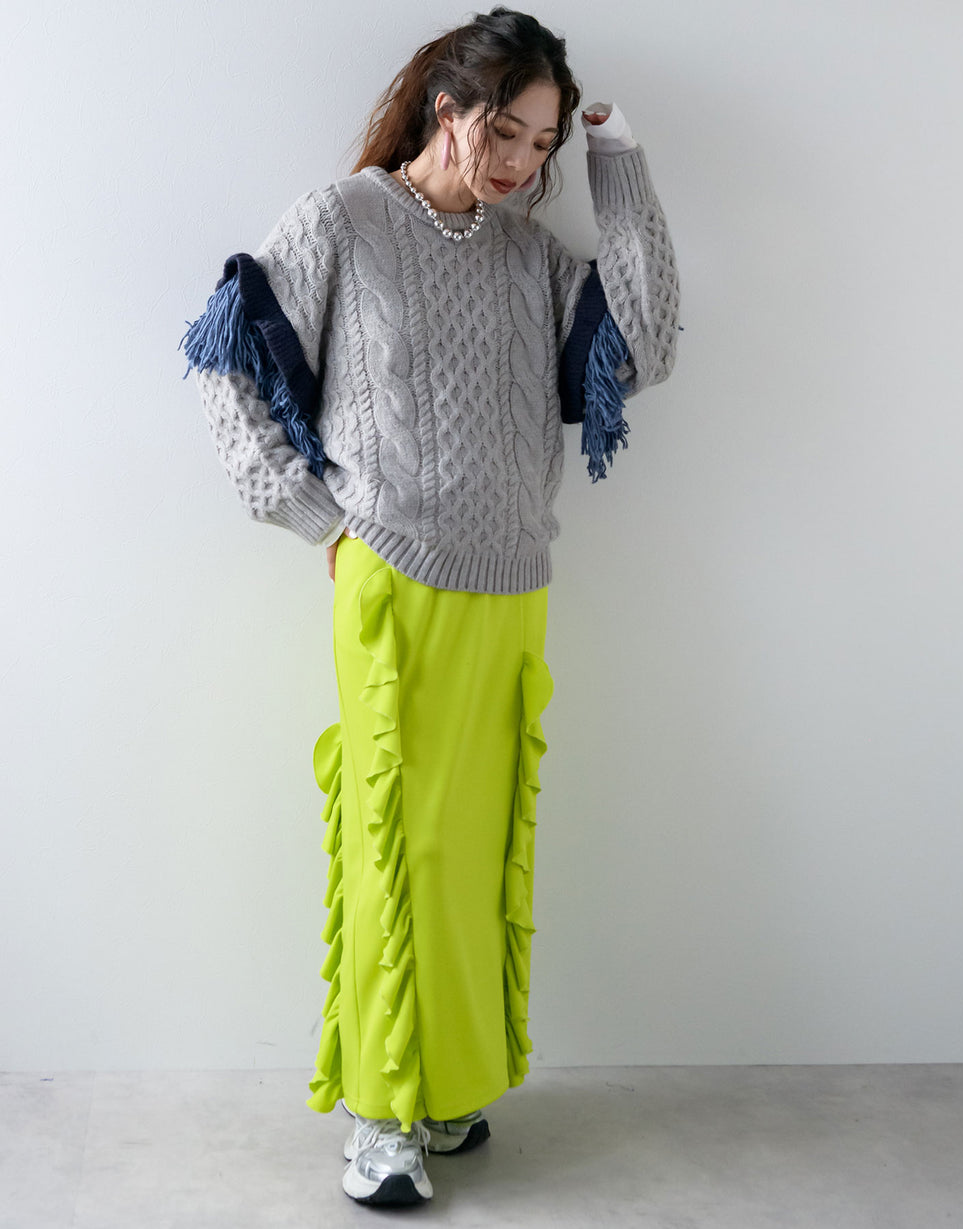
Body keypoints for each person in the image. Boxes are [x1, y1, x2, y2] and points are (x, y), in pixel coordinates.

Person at [181, 5, 680, 1208]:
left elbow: (647, 341)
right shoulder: (343, 218)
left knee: (475, 850)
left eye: (541, 145)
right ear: (446, 109)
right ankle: (378, 1111)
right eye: (503, 132)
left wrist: (616, 167)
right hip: (391, 577)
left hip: (513, 583)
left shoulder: (529, 253)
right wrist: (317, 518)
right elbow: (224, 358)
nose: (518, 163)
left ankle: (442, 1084)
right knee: (391, 844)